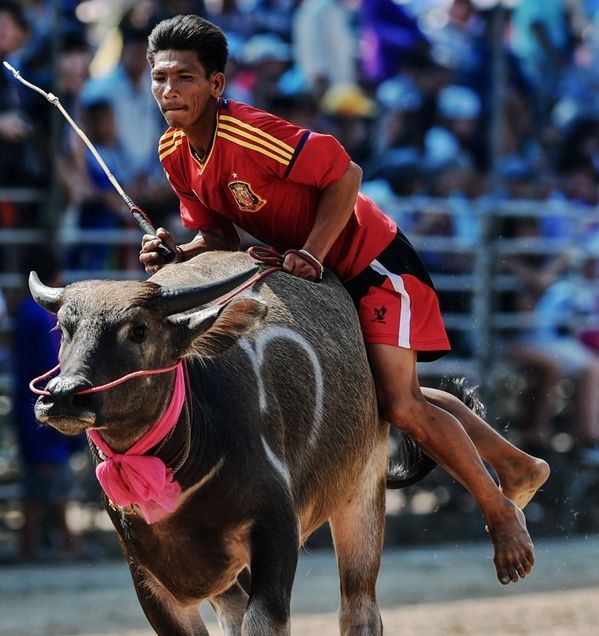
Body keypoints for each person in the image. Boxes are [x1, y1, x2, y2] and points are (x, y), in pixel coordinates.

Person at [139, 15, 549, 585]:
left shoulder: (250, 133)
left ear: (217, 85)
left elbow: (346, 176)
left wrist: (311, 250)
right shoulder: (174, 150)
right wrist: (177, 253)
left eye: (183, 78)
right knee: (386, 394)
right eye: (159, 78)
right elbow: (219, 236)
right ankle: (518, 465)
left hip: (372, 261)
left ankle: (499, 508)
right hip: (320, 269)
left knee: (400, 404)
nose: (168, 92)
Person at [11, 246, 83, 561]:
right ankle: (61, 544)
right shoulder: (43, 317)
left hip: (26, 401)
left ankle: (35, 544)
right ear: (54, 276)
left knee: (40, 478)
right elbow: (51, 364)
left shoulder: (26, 310)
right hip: (45, 402)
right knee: (49, 479)